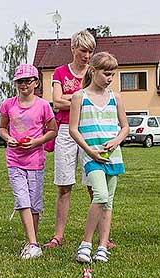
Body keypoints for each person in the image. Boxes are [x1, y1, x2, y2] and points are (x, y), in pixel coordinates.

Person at [43, 30, 115, 249]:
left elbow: (99, 98)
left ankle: (103, 236)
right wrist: (81, 99)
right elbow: (56, 102)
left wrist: (72, 99)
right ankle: (58, 236)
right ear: (73, 48)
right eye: (83, 50)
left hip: (91, 131)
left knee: (95, 186)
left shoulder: (95, 72)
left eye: (90, 51)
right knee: (64, 186)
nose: (86, 55)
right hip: (66, 130)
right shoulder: (60, 72)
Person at [70, 52, 129, 263]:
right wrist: (89, 150)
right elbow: (73, 130)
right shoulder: (80, 97)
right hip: (92, 156)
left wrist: (116, 141)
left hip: (113, 156)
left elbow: (125, 127)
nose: (110, 78)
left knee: (109, 202)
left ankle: (102, 247)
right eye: (106, 74)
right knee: (101, 195)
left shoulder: (116, 97)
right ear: (93, 72)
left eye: (112, 74)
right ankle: (85, 245)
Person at [0, 64, 57, 259]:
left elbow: (52, 131)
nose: (24, 84)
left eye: (28, 81)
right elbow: (2, 128)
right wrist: (8, 139)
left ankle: (33, 241)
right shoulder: (8, 105)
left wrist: (36, 141)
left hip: (35, 161)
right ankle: (32, 243)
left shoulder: (43, 106)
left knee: (34, 204)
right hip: (14, 160)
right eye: (20, 81)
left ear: (36, 83)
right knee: (22, 200)